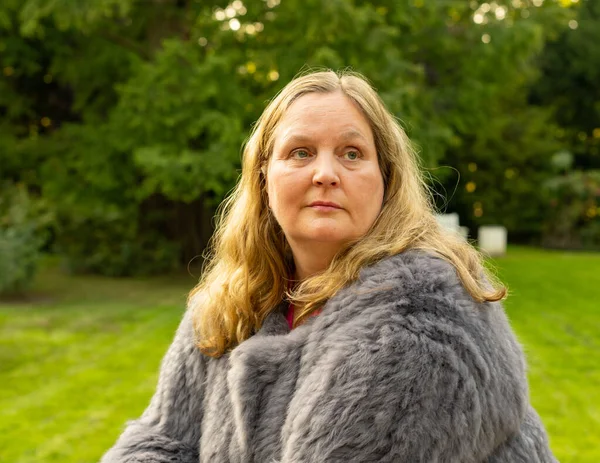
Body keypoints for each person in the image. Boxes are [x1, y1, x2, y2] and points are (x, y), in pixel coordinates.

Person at [101, 70, 557, 462]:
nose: (325, 173)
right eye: (300, 152)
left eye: (352, 153)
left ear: (387, 180)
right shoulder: (233, 299)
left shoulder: (423, 321)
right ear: (264, 178)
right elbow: (161, 437)